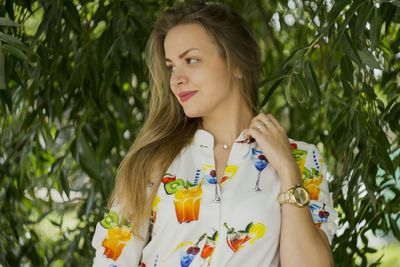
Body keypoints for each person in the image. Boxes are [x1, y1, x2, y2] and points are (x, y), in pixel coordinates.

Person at [91, 1, 337, 266]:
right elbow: (111, 259)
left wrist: (288, 172)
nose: (176, 79)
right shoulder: (153, 161)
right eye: (172, 66)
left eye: (191, 60)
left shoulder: (300, 158)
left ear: (236, 64)